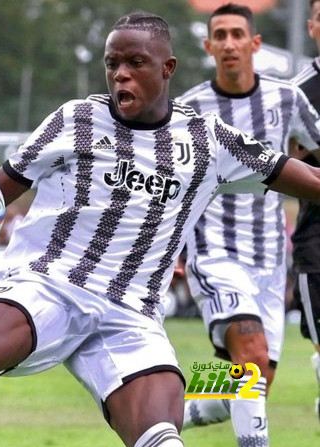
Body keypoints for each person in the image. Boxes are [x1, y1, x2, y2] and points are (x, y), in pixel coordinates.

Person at [0, 11, 320, 447]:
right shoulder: (77, 121)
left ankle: (194, 408)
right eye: (112, 64)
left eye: (135, 64)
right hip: (64, 284)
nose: (120, 75)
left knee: (248, 379)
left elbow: (307, 178)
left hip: (152, 306)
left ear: (167, 68)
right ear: (209, 47)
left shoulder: (239, 122)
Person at [175, 3, 320, 444]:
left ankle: (164, 408)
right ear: (209, 46)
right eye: (220, 35)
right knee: (252, 356)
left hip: (271, 261)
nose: (229, 43)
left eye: (238, 34)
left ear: (254, 43)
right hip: (215, 251)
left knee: (253, 382)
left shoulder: (286, 99)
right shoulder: (188, 111)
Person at [290, 0, 320, 420]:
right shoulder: (294, 94)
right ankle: (194, 404)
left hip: (267, 257)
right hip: (312, 245)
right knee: (246, 363)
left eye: (237, 35)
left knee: (255, 363)